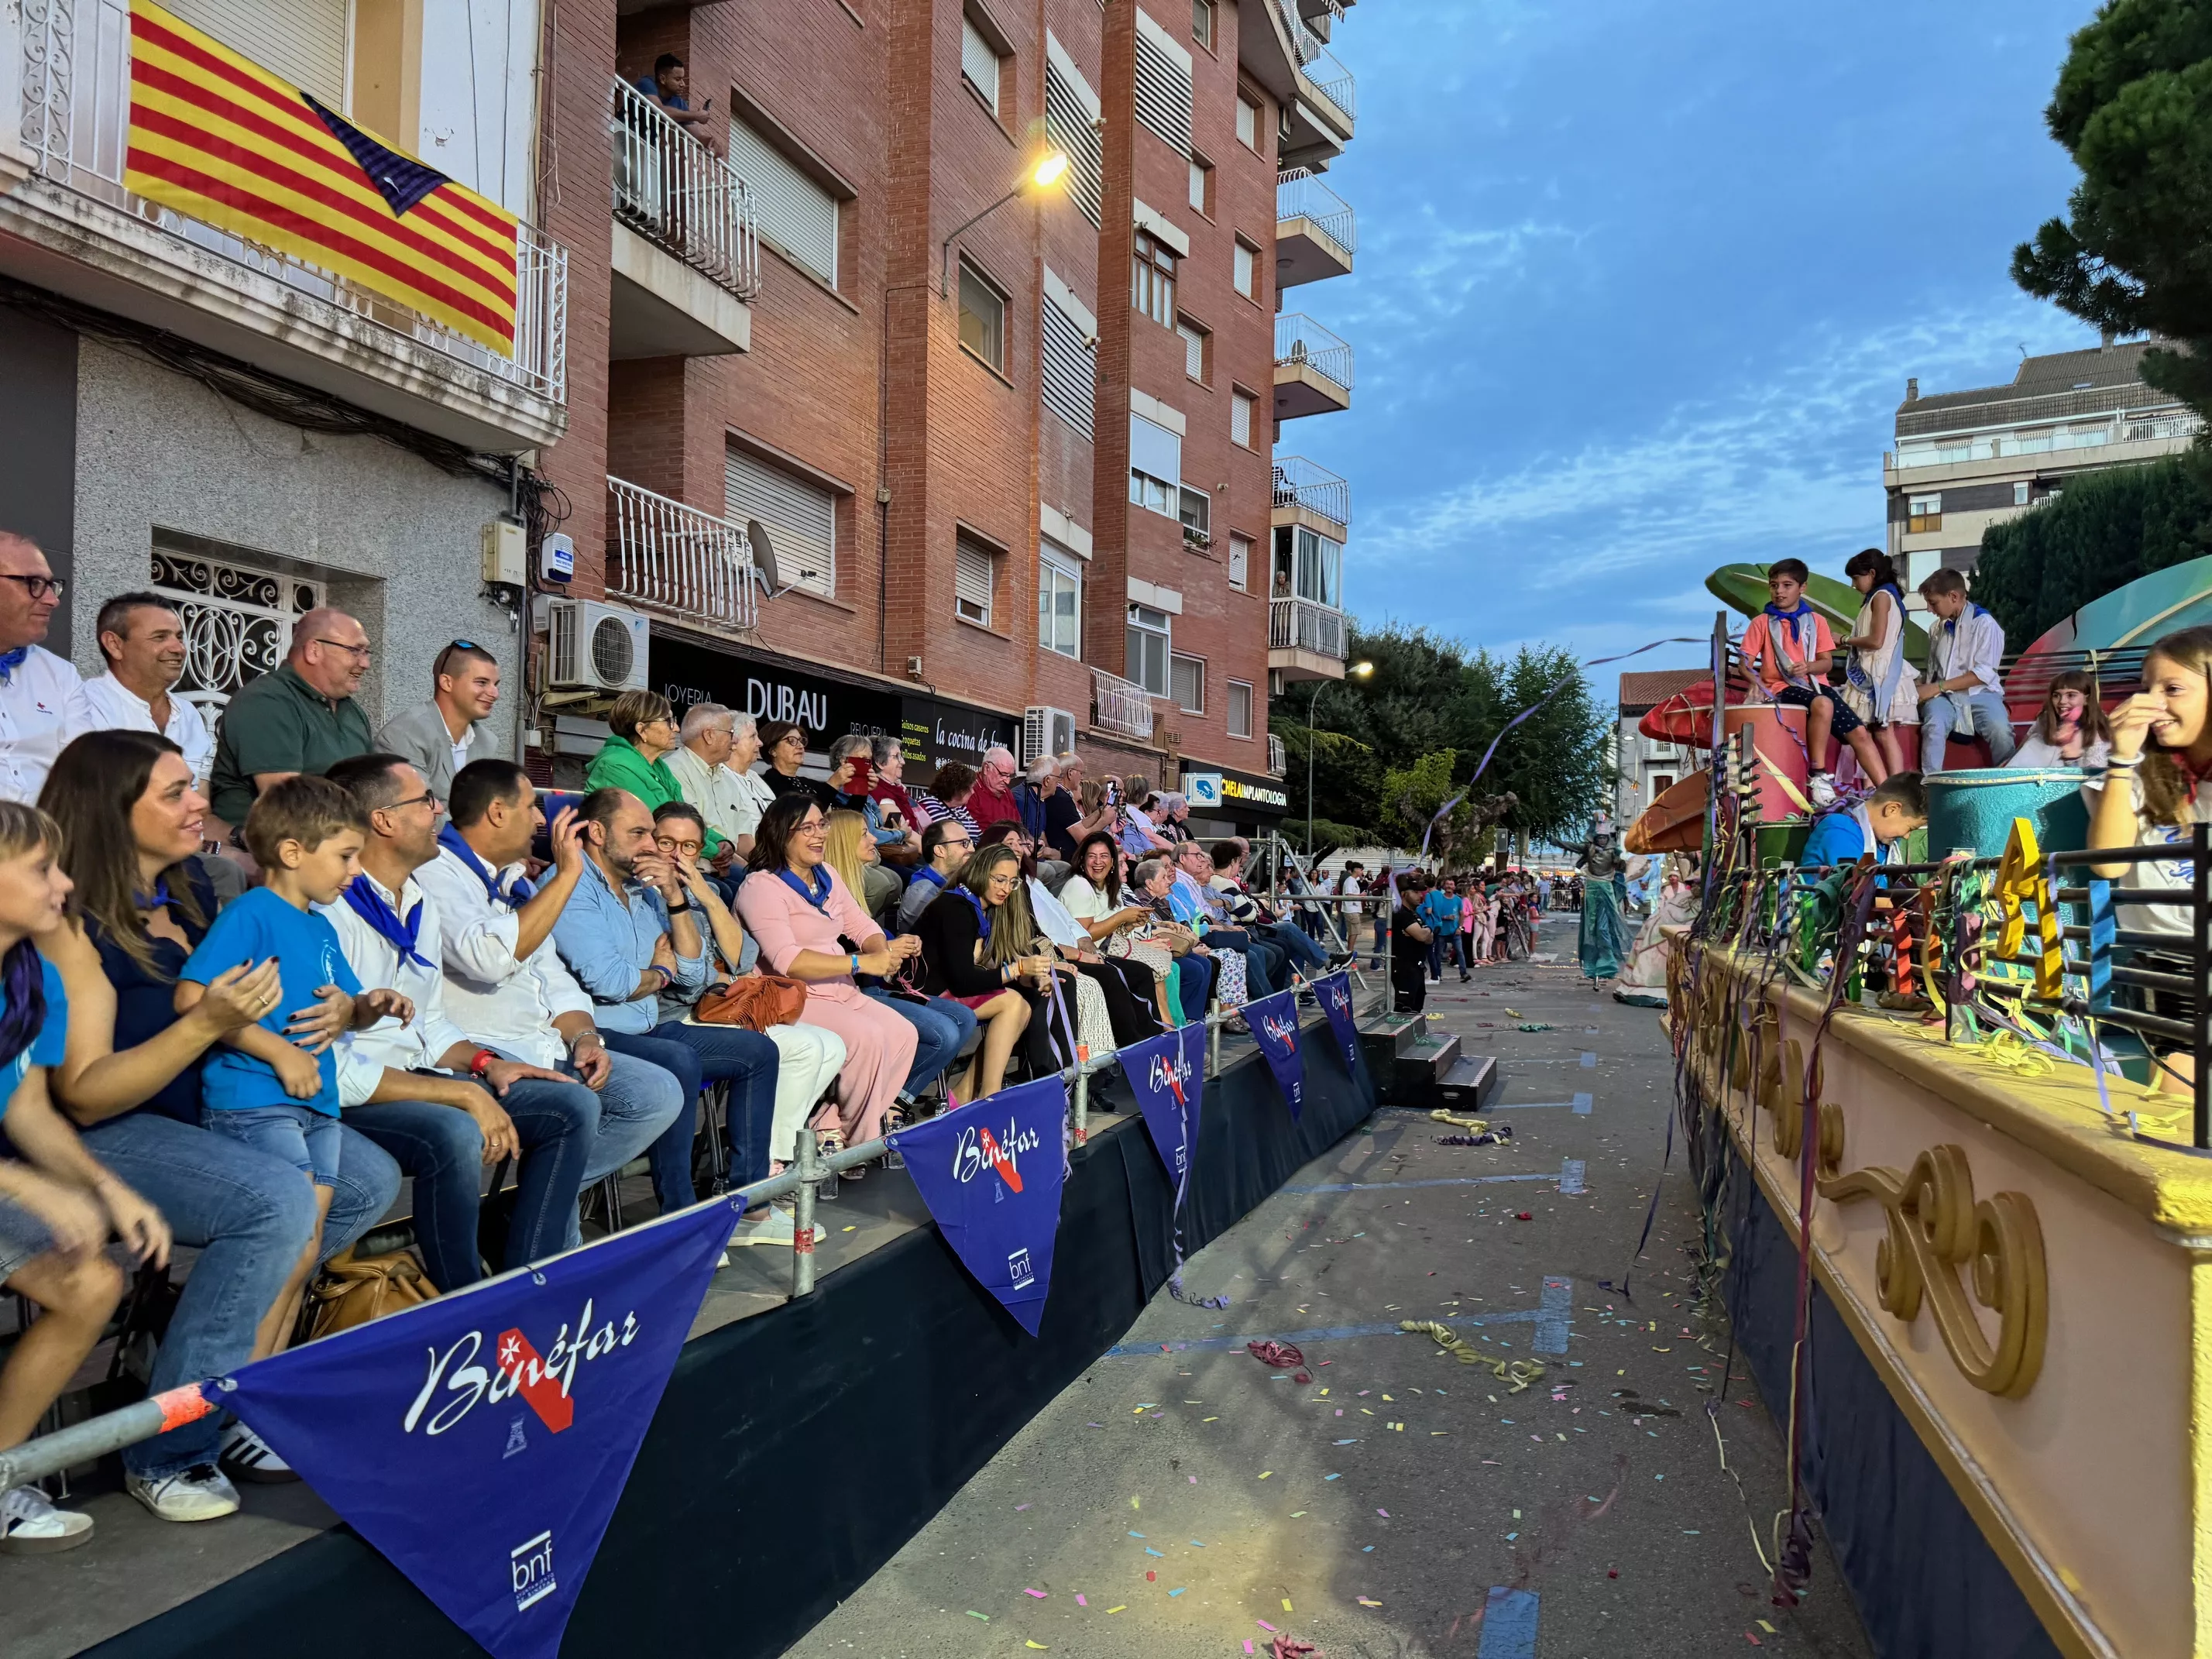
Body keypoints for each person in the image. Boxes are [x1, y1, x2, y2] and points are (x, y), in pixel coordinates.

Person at [37, 732, 394, 1513]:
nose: (200, 802)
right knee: (275, 1203)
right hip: (100, 1132)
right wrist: (207, 1026)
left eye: (193, 786)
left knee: (367, 1178)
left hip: (196, 1114)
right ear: (109, 809)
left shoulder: (194, 887)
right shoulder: (70, 919)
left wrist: (337, 1011)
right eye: (174, 792)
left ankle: (216, 1355)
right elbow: (88, 1097)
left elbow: (261, 989)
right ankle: (172, 1448)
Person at [320, 753, 609, 1288]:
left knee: (570, 1102)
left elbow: (430, 1024)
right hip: (353, 1092)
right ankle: (463, 1302)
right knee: (453, 1130)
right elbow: (336, 1065)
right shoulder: (331, 910)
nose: (438, 811)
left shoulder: (416, 900)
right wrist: (465, 1093)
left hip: (418, 1077)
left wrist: (486, 1064)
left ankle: (532, 1277)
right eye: (424, 801)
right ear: (382, 820)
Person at [175, 778, 411, 1367]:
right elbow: (193, 997)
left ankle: (261, 1387)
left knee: (304, 1254)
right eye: (344, 856)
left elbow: (344, 1008)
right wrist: (279, 1052)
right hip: (256, 1099)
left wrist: (368, 1006)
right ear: (291, 853)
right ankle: (231, 1392)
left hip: (318, 1108)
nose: (355, 871)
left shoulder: (322, 926)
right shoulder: (253, 912)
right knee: (285, 1248)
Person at [414, 759, 686, 1243]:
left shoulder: (511, 878)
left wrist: (584, 1037)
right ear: (497, 813)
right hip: (482, 1052)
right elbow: (488, 959)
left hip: (546, 1045)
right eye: (530, 808)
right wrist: (565, 876)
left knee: (657, 1092)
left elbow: (556, 981)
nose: (541, 821)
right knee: (575, 1107)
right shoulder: (438, 874)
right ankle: (544, 1256)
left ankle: (533, 1202)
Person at [0, 799, 170, 1553]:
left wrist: (105, 1188)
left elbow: (30, 1110)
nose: (63, 884)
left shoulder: (26, 974)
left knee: (91, 1281)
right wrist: (26, 1185)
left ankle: (1, 1472)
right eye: (41, 869)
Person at [553, 788, 785, 1237]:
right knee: (678, 1061)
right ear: (598, 834)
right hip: (598, 1031)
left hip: (651, 1024)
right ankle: (678, 1215)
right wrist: (659, 971)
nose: (652, 847)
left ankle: (749, 1200)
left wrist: (676, 895)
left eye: (688, 846)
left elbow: (694, 971)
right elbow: (613, 983)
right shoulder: (576, 887)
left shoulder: (644, 892)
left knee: (759, 1052)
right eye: (646, 835)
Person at [647, 802, 846, 1172]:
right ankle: (766, 1164)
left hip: (715, 1007)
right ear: (648, 841)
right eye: (666, 843)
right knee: (803, 1047)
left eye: (689, 847)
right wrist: (716, 978)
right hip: (672, 1016)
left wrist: (706, 896)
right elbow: (680, 978)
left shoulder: (701, 893)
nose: (677, 855)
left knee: (831, 1046)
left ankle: (778, 1153)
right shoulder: (642, 896)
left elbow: (742, 957)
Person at [734, 795, 922, 1151]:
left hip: (839, 988)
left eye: (821, 825)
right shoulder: (761, 887)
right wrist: (860, 963)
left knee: (903, 1034)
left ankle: (831, 1125)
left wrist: (883, 950)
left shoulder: (827, 876)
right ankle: (860, 1143)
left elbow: (859, 924)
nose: (819, 834)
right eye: (807, 828)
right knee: (867, 1038)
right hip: (790, 996)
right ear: (780, 834)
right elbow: (787, 960)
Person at [909, 842, 1087, 1097]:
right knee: (1013, 1004)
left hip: (952, 988)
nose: (1006, 889)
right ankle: (987, 1095)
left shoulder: (982, 909)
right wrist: (1017, 970)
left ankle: (967, 1093)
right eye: (999, 880)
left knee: (1026, 1001)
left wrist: (1029, 978)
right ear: (981, 872)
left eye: (1012, 882)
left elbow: (983, 971)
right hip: (925, 994)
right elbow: (964, 981)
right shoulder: (955, 909)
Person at [821, 809, 976, 1101]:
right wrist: (887, 951)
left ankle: (896, 1102)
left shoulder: (853, 889)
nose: (873, 839)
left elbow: (873, 940)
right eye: (865, 834)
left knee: (963, 1019)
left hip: (872, 986)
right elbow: (835, 955)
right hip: (846, 992)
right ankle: (879, 1105)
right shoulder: (829, 894)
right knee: (944, 1032)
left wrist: (895, 944)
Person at [977, 822, 1161, 1048]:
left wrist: (1087, 943)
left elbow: (1067, 920)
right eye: (1009, 843)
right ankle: (1126, 1050)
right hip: (1049, 955)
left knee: (1140, 971)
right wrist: (1078, 952)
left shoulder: (1032, 882)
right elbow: (1031, 937)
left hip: (1068, 949)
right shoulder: (1012, 889)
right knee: (1107, 977)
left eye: (1020, 843)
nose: (1017, 847)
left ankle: (1150, 1042)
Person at [206, 606, 374, 839]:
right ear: (314, 650)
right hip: (268, 855)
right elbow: (289, 802)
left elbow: (369, 790)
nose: (365, 663)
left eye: (366, 652)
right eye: (355, 650)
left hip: (340, 848)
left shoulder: (352, 711)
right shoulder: (267, 700)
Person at [1736, 559, 1881, 809]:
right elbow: (1745, 663)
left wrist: (1809, 667)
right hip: (1781, 688)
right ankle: (1818, 775)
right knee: (1823, 703)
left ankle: (1888, 791)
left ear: (1802, 588)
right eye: (1774, 586)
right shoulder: (1761, 623)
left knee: (1860, 733)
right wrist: (1756, 683)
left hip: (1814, 685)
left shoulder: (1817, 622)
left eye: (1786, 585)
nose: (1779, 591)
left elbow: (1825, 663)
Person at [81, 592, 215, 790]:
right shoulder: (84, 706)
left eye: (179, 637)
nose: (178, 648)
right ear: (114, 645)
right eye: (160, 637)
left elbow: (200, 806)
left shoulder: (189, 714)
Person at [0, 532, 94, 805]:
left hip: (50, 839)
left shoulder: (60, 675)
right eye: (35, 584)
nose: (53, 600)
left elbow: (83, 773)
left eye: (52, 585)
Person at [585, 690, 730, 862]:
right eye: (669, 722)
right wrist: (715, 852)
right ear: (642, 730)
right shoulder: (615, 766)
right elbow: (660, 825)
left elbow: (684, 814)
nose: (676, 729)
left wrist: (721, 841)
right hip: (629, 863)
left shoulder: (658, 765)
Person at [1060, 830, 1180, 1028]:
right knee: (1144, 970)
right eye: (1092, 856)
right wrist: (1121, 917)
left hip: (1106, 949)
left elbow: (1109, 933)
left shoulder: (1108, 887)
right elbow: (1084, 936)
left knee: (1159, 965)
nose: (1098, 862)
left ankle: (1164, 1027)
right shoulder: (1079, 886)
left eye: (1104, 856)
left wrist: (1130, 924)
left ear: (1112, 862)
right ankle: (1157, 1029)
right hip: (1083, 955)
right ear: (1082, 860)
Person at [376, 640, 502, 811]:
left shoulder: (487, 742)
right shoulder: (404, 734)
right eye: (482, 683)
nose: (495, 694)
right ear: (447, 683)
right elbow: (419, 812)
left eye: (496, 684)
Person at [1917, 568, 2016, 771]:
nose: (1929, 609)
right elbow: (1934, 669)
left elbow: (1984, 674)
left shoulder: (1985, 624)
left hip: (1980, 693)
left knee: (2000, 730)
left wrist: (1937, 687)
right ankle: (1928, 787)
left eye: (1933, 602)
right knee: (1934, 725)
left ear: (1953, 596)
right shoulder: (1936, 629)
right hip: (1945, 696)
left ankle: (2009, 782)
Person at [1839, 548, 1918, 780]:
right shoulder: (1880, 596)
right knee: (1874, 733)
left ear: (1872, 573)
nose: (1854, 585)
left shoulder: (1882, 597)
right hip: (1874, 669)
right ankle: (1881, 787)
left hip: (1880, 673)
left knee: (1883, 732)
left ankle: (1893, 787)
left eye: (1856, 578)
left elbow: (1876, 640)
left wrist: (1844, 640)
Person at [824, 734, 918, 913]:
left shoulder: (865, 793)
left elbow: (878, 825)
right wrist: (899, 834)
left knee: (896, 882)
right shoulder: (836, 792)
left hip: (874, 853)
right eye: (864, 761)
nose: (869, 767)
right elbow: (870, 830)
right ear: (845, 760)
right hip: (850, 856)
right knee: (887, 882)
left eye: (870, 761)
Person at [662, 702, 754, 874]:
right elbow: (692, 833)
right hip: (696, 870)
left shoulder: (728, 780)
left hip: (730, 868)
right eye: (731, 733)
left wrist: (767, 867)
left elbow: (743, 837)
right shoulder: (675, 771)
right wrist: (748, 871)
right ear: (709, 735)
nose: (734, 741)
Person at [1798, 771, 1927, 869]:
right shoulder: (1840, 830)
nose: (1906, 836)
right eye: (1910, 829)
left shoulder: (1883, 841)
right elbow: (1856, 894)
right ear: (1892, 809)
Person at [2012, 670, 2112, 771]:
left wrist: (2073, 759)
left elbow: (2096, 779)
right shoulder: (2045, 720)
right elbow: (2020, 754)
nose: (2062, 702)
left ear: (2087, 699)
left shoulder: (2099, 729)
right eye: (2056, 695)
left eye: (2071, 695)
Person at [1574, 817, 1630, 984]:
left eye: (1604, 837)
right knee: (1590, 929)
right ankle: (1592, 966)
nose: (1602, 840)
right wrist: (1556, 842)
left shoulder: (1614, 852)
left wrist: (1620, 863)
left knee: (1603, 930)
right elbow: (1572, 846)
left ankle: (1607, 965)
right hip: (1592, 888)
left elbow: (1622, 873)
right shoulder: (1589, 850)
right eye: (1599, 837)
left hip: (1606, 890)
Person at [634, 51, 721, 148]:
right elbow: (660, 110)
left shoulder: (678, 102)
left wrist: (710, 142)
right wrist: (696, 116)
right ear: (663, 79)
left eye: (682, 79)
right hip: (623, 134)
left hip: (644, 148)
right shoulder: (647, 83)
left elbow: (697, 137)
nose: (683, 84)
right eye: (677, 79)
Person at [900, 816, 974, 930]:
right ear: (940, 851)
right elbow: (952, 933)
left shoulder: (961, 884)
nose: (972, 849)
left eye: (970, 842)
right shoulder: (922, 890)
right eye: (963, 843)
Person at [757, 720, 828, 808]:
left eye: (801, 741)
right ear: (773, 750)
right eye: (792, 741)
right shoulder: (765, 785)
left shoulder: (809, 783)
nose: (800, 746)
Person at [1391, 871, 1434, 1013]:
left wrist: (1425, 931)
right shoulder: (1401, 913)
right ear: (1404, 894)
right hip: (1404, 967)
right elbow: (1422, 936)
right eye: (1415, 892)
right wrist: (1425, 932)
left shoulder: (1414, 914)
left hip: (1417, 966)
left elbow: (1428, 938)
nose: (1420, 896)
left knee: (1417, 1006)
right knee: (1405, 1009)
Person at [912, 760, 981, 837]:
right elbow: (947, 837)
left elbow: (978, 835)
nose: (973, 792)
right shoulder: (930, 802)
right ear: (958, 789)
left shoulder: (960, 808)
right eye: (970, 788)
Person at [967, 746, 1021, 836]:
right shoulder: (971, 791)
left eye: (1010, 776)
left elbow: (1018, 825)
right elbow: (974, 834)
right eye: (1003, 775)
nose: (1007, 782)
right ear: (986, 768)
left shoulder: (1007, 793)